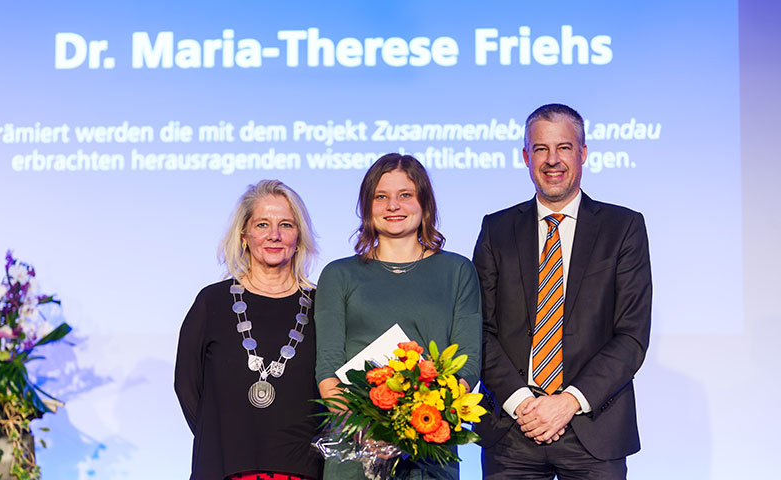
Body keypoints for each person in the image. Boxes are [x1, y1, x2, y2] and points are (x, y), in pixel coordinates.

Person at [473, 104, 652, 479]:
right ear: (525, 156)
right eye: (540, 149)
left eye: (564, 147)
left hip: (594, 427)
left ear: (583, 153)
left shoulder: (624, 227)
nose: (552, 160)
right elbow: (480, 332)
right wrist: (524, 403)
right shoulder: (497, 229)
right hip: (512, 429)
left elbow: (631, 336)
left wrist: (568, 402)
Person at [315, 153, 482, 480]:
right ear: (367, 207)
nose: (393, 205)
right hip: (356, 453)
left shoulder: (457, 271)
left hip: (429, 452)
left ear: (425, 204)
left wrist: (411, 430)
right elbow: (328, 367)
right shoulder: (339, 274)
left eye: (405, 195)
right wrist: (370, 433)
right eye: (381, 197)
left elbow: (468, 361)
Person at [175, 179, 323, 480]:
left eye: (286, 225)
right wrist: (221, 440)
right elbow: (187, 386)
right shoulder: (211, 302)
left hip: (302, 471)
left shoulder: (323, 305)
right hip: (225, 468)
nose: (274, 236)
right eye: (262, 225)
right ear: (244, 235)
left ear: (299, 237)